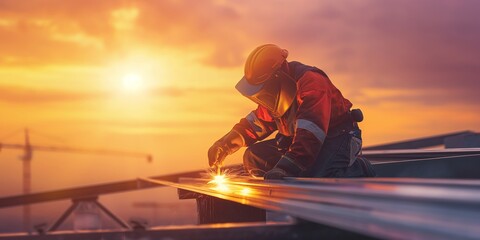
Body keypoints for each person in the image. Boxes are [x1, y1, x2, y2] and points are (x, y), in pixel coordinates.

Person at [208, 44, 376, 179]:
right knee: (253, 157)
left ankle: (359, 169)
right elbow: (256, 124)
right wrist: (224, 144)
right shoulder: (277, 95)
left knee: (311, 175)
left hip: (338, 137)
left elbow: (311, 134)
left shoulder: (312, 84)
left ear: (278, 75)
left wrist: (286, 168)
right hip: (302, 141)